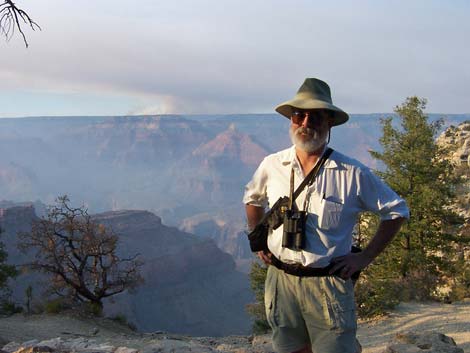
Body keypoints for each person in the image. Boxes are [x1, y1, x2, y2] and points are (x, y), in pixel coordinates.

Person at [243, 78, 409, 353]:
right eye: (299, 115)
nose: (306, 123)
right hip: (281, 281)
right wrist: (258, 238)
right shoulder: (272, 164)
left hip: (328, 285)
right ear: (291, 120)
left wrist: (365, 256)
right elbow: (252, 197)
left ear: (329, 122)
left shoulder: (351, 173)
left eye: (316, 116)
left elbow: (397, 210)